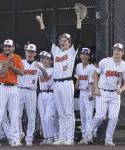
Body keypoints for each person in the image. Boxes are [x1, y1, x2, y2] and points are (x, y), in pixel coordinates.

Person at [36, 12, 83, 145]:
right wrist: (42, 25)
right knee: (61, 113)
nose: (62, 42)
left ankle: (69, 138)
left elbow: (78, 38)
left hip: (67, 82)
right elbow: (46, 40)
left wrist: (79, 22)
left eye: (65, 40)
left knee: (68, 112)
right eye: (61, 40)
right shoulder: (56, 51)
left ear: (69, 43)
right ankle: (62, 137)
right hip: (56, 84)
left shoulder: (72, 51)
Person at [0, 39, 24, 147]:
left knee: (14, 113)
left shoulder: (17, 57)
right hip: (1, 87)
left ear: (13, 47)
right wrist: (8, 62)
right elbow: (1, 74)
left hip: (13, 87)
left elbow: (21, 72)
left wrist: (9, 65)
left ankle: (14, 139)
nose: (7, 48)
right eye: (5, 46)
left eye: (9, 46)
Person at [87, 43, 125, 146]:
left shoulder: (124, 65)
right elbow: (95, 74)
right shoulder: (105, 61)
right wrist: (96, 88)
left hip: (115, 95)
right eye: (114, 50)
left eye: (119, 50)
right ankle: (89, 130)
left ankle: (108, 140)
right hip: (102, 92)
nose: (116, 52)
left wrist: (121, 89)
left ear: (122, 53)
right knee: (100, 116)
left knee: (114, 117)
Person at [18, 44, 49, 146]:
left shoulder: (38, 64)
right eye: (28, 51)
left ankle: (29, 138)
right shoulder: (21, 62)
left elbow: (46, 78)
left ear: (35, 53)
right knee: (17, 115)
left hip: (32, 91)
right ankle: (20, 133)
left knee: (31, 116)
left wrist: (42, 68)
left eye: (32, 52)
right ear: (26, 52)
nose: (30, 53)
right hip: (20, 90)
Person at [75, 48, 95, 144]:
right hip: (82, 93)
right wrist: (77, 83)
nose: (84, 56)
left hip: (89, 92)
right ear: (80, 55)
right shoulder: (78, 66)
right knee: (82, 114)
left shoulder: (91, 67)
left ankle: (89, 136)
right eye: (82, 54)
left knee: (88, 115)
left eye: (86, 54)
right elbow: (78, 77)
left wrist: (92, 93)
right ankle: (84, 136)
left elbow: (92, 83)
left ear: (89, 56)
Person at [38, 51, 59, 145]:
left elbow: (46, 79)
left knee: (49, 117)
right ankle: (46, 137)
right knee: (43, 117)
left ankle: (52, 137)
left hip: (51, 94)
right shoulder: (38, 70)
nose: (44, 60)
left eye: (47, 59)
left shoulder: (54, 69)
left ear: (51, 61)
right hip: (41, 94)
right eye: (43, 58)